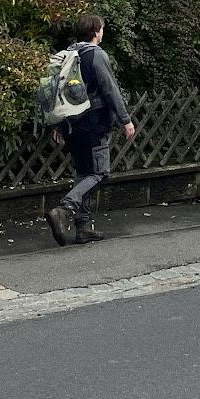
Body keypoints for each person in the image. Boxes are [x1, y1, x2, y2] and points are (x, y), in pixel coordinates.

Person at [46, 13, 135, 247]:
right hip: (93, 123)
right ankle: (66, 208)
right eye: (102, 29)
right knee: (100, 173)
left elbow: (56, 92)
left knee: (84, 173)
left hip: (70, 125)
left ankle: (83, 227)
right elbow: (109, 89)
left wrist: (58, 125)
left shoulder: (68, 55)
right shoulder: (96, 55)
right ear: (96, 31)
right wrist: (125, 120)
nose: (102, 32)